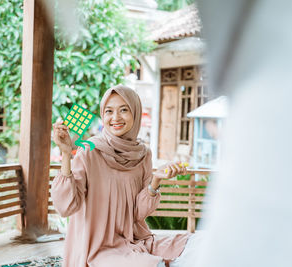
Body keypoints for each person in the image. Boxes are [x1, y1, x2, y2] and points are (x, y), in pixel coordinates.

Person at [52, 85, 191, 267]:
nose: (115, 118)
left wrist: (155, 181)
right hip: (97, 249)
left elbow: (137, 214)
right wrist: (65, 154)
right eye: (109, 111)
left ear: (135, 112)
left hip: (135, 240)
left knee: (192, 244)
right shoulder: (89, 151)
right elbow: (65, 207)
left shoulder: (143, 154)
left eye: (124, 110)